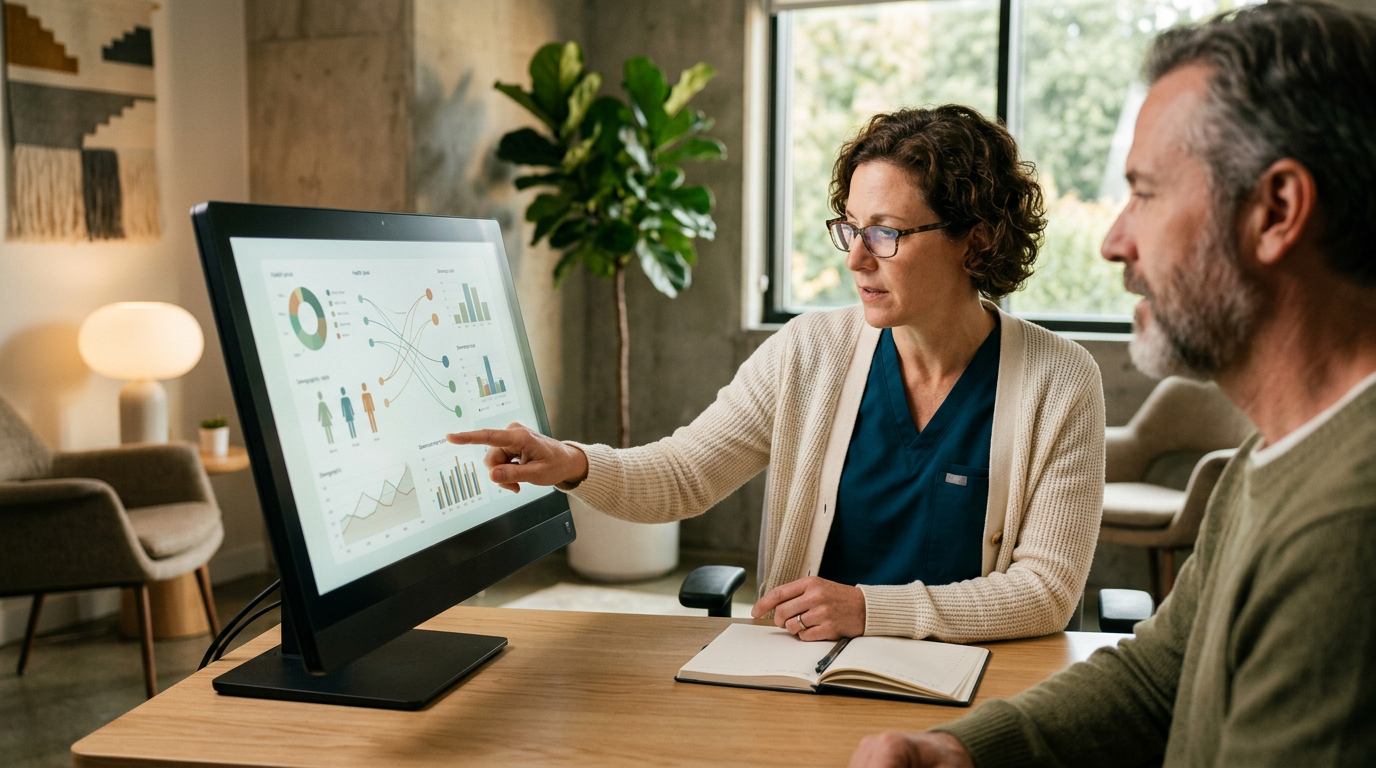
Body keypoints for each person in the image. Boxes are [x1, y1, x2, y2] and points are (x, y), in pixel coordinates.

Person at [850, 2, 1376, 766]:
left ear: (1277, 211)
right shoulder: (1268, 461)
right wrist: (960, 752)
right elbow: (1159, 680)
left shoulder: (1346, 528)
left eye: (1147, 192)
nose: (1112, 240)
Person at [451, 106, 1105, 644]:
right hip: (804, 671)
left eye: (886, 234)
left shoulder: (1062, 381)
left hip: (975, 686)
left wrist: (872, 611)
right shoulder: (808, 351)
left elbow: (1044, 593)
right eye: (850, 227)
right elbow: (685, 474)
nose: (855, 258)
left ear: (977, 242)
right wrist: (571, 462)